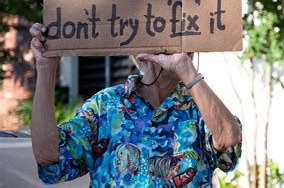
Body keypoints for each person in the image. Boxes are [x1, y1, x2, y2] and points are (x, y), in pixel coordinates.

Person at [29, 23, 242, 186]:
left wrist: (186, 69)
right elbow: (50, 158)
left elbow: (229, 139)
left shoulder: (200, 108)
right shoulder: (106, 106)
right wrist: (45, 68)